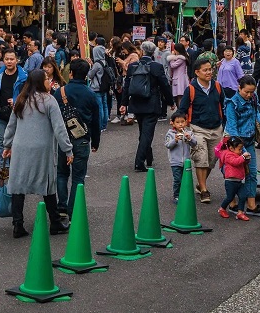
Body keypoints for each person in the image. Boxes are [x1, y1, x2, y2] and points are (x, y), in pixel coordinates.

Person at [4, 69, 72, 238]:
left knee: (18, 184)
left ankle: (17, 224)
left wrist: (7, 144)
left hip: (20, 147)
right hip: (43, 149)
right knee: (47, 183)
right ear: (41, 82)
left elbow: (11, 125)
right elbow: (59, 128)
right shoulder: (49, 100)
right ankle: (55, 221)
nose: (50, 81)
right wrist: (68, 149)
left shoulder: (21, 99)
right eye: (47, 79)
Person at [118, 41, 173, 173]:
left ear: (141, 51)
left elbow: (127, 86)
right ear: (153, 52)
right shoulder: (156, 67)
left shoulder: (133, 66)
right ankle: (139, 161)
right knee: (147, 134)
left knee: (143, 131)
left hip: (136, 103)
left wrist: (124, 103)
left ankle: (148, 157)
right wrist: (171, 101)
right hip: (151, 102)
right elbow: (164, 85)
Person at [177, 57, 226, 202]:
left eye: (210, 69)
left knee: (211, 160)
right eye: (205, 70)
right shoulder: (191, 89)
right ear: (197, 72)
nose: (209, 72)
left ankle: (200, 184)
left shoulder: (217, 86)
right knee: (201, 158)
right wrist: (179, 126)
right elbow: (182, 109)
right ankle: (204, 190)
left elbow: (224, 105)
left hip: (216, 128)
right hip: (197, 128)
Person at [57, 59, 101, 215]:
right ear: (86, 75)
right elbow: (96, 120)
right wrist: (95, 141)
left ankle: (61, 207)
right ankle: (73, 211)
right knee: (78, 177)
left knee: (62, 173)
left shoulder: (60, 92)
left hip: (62, 139)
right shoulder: (90, 94)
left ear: (70, 73)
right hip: (82, 139)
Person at [224, 75, 260, 217]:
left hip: (249, 140)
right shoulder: (232, 104)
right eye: (247, 92)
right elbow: (232, 129)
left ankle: (251, 205)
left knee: (251, 173)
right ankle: (232, 203)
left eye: (252, 92)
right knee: (232, 175)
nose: (249, 95)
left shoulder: (253, 97)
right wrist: (241, 151)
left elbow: (256, 112)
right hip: (233, 144)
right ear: (239, 88)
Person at [0, 49, 27, 170]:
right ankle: (5, 167)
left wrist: (16, 100)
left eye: (12, 59)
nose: (9, 61)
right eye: (7, 59)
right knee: (2, 141)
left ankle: (15, 166)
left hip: (18, 113)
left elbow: (27, 95)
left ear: (17, 60)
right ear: (3, 60)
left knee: (17, 141)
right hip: (1, 113)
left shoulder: (24, 76)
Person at [215, 136, 252, 221]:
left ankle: (240, 212)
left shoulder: (238, 155)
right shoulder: (228, 155)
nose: (241, 151)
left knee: (242, 196)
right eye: (239, 149)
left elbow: (241, 162)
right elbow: (235, 162)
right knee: (230, 197)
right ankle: (222, 208)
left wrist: (246, 159)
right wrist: (243, 157)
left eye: (241, 149)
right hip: (231, 181)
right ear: (231, 148)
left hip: (240, 180)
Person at [164, 115, 200, 200]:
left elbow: (194, 143)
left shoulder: (189, 133)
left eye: (182, 122)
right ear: (173, 124)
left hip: (186, 161)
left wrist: (189, 138)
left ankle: (185, 194)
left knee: (186, 179)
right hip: (175, 161)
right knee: (178, 179)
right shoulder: (170, 134)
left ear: (186, 122)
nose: (180, 124)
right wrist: (175, 140)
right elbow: (168, 145)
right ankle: (176, 195)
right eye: (177, 122)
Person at [86, 41, 112, 131]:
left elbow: (90, 75)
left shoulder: (97, 64)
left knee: (99, 107)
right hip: (104, 87)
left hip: (96, 87)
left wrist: (90, 66)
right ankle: (104, 125)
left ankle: (100, 125)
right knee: (105, 106)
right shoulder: (105, 62)